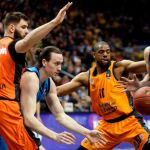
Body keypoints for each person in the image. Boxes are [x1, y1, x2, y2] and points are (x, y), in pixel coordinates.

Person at [0, 2, 74, 149]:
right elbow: (27, 41)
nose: (27, 31)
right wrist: (54, 22)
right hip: (6, 105)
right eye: (24, 27)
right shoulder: (12, 46)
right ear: (11, 28)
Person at [56, 41, 150, 150]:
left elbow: (145, 65)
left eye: (108, 52)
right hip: (106, 128)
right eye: (101, 52)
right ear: (94, 55)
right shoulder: (86, 77)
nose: (105, 54)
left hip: (130, 122)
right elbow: (57, 91)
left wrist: (147, 55)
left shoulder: (119, 67)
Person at [20, 46, 106, 148]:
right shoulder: (31, 77)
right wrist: (55, 136)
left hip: (18, 122)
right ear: (44, 62)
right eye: (56, 64)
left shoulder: (49, 83)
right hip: (8, 119)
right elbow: (28, 119)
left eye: (61, 64)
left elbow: (61, 116)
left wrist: (87, 132)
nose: (60, 68)